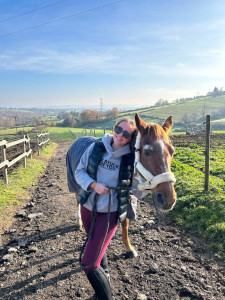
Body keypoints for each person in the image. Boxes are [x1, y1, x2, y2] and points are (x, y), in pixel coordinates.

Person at [75, 118, 136, 300]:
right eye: (119, 129)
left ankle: (105, 297)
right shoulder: (96, 147)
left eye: (127, 134)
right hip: (87, 207)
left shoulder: (131, 158)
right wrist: (94, 185)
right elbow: (80, 171)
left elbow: (137, 188)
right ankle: (105, 275)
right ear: (114, 128)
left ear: (131, 139)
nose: (120, 135)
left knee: (89, 263)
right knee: (97, 250)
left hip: (110, 212)